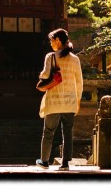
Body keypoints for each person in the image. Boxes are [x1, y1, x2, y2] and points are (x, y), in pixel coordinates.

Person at [35, 28, 84, 171]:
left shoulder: (51, 57)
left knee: (49, 131)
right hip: (70, 101)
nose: (50, 43)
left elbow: (44, 76)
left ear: (57, 40)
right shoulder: (75, 59)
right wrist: (78, 101)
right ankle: (65, 163)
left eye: (51, 40)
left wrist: (41, 76)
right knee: (67, 132)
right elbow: (79, 82)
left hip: (54, 102)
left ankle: (44, 161)